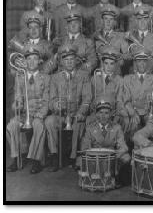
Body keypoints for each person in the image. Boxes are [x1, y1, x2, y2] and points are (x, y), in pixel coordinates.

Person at [44, 44, 92, 172]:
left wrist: (81, 112)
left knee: (80, 123)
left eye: (72, 59)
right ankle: (54, 156)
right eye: (66, 59)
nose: (69, 62)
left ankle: (74, 157)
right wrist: (56, 105)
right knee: (49, 121)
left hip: (76, 113)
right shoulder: (55, 77)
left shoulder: (84, 75)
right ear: (61, 61)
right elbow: (51, 100)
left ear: (76, 60)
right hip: (61, 114)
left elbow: (87, 98)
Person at [6, 44, 50, 174]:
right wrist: (17, 105)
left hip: (38, 113)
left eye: (35, 59)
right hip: (25, 114)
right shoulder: (20, 77)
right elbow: (18, 97)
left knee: (39, 126)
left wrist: (41, 114)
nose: (32, 62)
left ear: (40, 61)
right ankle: (16, 157)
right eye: (29, 59)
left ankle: (36, 161)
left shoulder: (46, 77)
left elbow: (47, 100)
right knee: (11, 126)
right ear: (25, 61)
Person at [80, 95, 131, 188]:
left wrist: (117, 154)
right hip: (95, 158)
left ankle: (117, 178)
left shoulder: (117, 127)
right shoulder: (90, 129)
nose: (103, 116)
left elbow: (123, 146)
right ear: (96, 114)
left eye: (106, 113)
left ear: (111, 114)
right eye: (100, 113)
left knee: (127, 157)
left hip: (112, 157)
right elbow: (85, 149)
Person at [122, 47, 153, 141]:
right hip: (135, 111)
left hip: (148, 112)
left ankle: (150, 150)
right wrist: (132, 112)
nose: (142, 64)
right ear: (135, 63)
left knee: (152, 124)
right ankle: (134, 149)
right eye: (139, 61)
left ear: (147, 63)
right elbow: (126, 101)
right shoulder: (127, 79)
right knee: (134, 123)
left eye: (144, 61)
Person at [51, 8, 98, 74]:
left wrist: (80, 69)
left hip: (80, 75)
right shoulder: (58, 41)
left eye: (76, 23)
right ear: (67, 25)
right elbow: (53, 61)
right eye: (70, 23)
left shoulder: (88, 42)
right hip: (62, 76)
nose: (73, 26)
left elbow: (93, 61)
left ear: (80, 24)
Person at [87, 46, 125, 127]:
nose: (108, 66)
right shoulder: (94, 78)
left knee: (121, 121)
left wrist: (118, 113)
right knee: (90, 121)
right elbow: (90, 98)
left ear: (115, 65)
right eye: (106, 63)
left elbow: (119, 100)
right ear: (102, 63)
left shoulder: (120, 80)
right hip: (97, 111)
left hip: (112, 112)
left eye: (111, 64)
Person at [126, 5, 153, 73]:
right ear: (136, 21)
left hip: (150, 76)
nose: (142, 22)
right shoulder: (130, 37)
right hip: (134, 76)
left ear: (149, 20)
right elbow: (125, 59)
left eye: (145, 19)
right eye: (140, 19)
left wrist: (151, 61)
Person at [94, 4, 129, 76]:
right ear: (101, 21)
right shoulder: (95, 36)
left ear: (114, 22)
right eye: (106, 19)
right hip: (100, 75)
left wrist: (122, 61)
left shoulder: (121, 36)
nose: (108, 22)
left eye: (111, 19)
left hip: (116, 74)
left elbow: (128, 56)